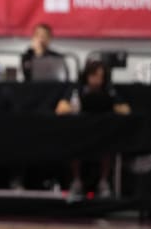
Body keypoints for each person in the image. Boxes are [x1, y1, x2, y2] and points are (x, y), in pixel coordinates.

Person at [55, 60, 131, 200]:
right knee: (73, 143)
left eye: (101, 77)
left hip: (102, 134)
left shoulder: (108, 90)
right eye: (95, 76)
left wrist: (112, 107)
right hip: (80, 132)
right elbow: (60, 109)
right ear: (87, 76)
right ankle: (76, 181)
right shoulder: (77, 89)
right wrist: (74, 108)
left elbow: (126, 109)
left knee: (109, 145)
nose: (98, 80)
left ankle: (103, 182)